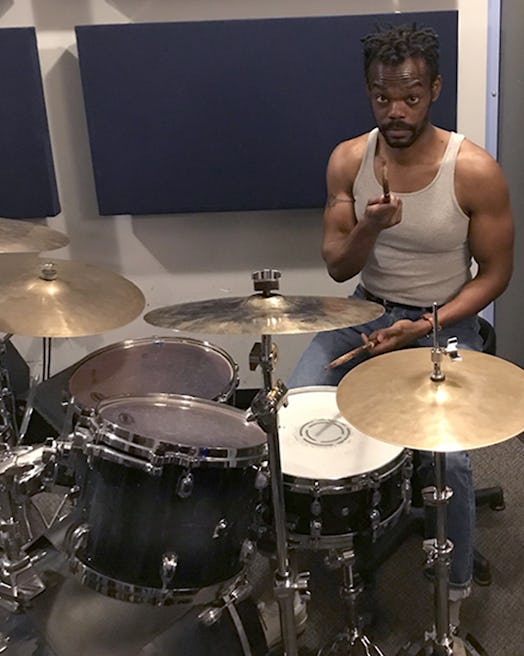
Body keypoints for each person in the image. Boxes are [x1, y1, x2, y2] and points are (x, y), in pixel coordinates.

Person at [287, 23, 514, 647]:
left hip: (445, 321)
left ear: (434, 90)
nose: (396, 111)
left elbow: (496, 273)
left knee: (453, 460)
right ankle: (305, 575)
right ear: (369, 92)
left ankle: (455, 598)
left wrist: (427, 323)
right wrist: (372, 227)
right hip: (365, 313)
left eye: (410, 96)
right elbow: (339, 265)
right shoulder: (348, 160)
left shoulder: (473, 170)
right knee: (296, 413)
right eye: (382, 96)